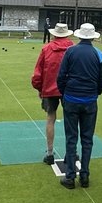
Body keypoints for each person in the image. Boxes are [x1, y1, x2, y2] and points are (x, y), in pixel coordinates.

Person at [55, 23, 102, 189]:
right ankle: (84, 175)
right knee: (87, 139)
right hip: (90, 101)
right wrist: (95, 93)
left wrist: (65, 93)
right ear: (93, 37)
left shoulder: (70, 51)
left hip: (71, 99)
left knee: (71, 139)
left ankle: (70, 177)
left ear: (79, 36)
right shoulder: (98, 54)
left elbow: (61, 76)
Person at [31, 23, 74, 165]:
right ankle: (71, 153)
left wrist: (39, 89)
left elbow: (38, 72)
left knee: (50, 119)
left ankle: (50, 154)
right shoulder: (73, 48)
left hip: (50, 90)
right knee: (71, 121)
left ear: (54, 34)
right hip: (69, 89)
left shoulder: (46, 48)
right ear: (67, 34)